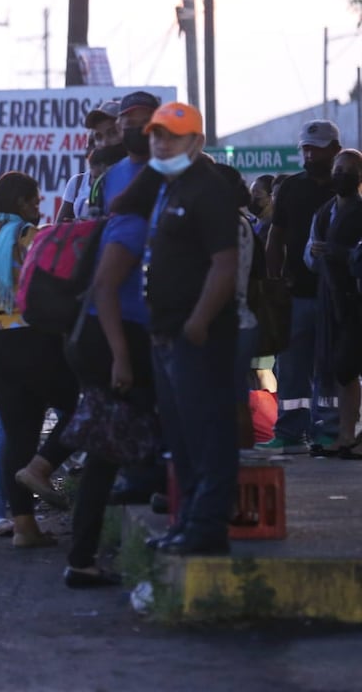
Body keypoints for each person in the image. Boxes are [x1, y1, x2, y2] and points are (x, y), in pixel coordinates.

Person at [141, 102, 239, 556]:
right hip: (166, 335)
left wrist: (198, 322)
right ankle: (189, 522)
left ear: (196, 142)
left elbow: (224, 265)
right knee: (180, 436)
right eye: (157, 134)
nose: (162, 143)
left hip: (198, 336)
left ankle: (208, 526)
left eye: (173, 136)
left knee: (207, 433)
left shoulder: (210, 190)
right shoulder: (170, 189)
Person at [0, 171, 78, 547]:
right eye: (33, 201)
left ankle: (25, 527)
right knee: (84, 408)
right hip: (30, 337)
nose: (38, 207)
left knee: (19, 432)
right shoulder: (27, 237)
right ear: (19, 203)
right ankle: (41, 467)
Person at [64, 169, 157, 587]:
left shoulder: (124, 222)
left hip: (111, 337)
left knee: (113, 449)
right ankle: (81, 558)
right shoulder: (133, 225)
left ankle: (83, 556)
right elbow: (105, 288)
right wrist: (122, 356)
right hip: (116, 339)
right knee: (106, 454)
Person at [260, 120, 343, 453]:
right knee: (291, 367)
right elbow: (275, 237)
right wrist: (272, 279)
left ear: (335, 149)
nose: (310, 155)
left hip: (337, 295)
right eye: (306, 148)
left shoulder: (347, 190)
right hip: (297, 295)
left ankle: (329, 429)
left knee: (330, 367)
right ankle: (290, 432)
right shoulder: (292, 188)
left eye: (317, 148)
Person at [305, 149, 362, 459]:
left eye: (349, 170)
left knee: (348, 366)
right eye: (338, 169)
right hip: (332, 299)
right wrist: (316, 254)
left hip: (354, 299)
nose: (342, 175)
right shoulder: (325, 212)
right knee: (342, 369)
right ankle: (344, 433)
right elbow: (311, 257)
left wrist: (339, 252)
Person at [212, 164, 261, 448]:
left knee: (231, 397)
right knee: (236, 395)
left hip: (231, 322)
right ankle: (241, 457)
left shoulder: (227, 224)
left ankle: (239, 459)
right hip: (240, 320)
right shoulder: (238, 221)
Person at [95, 91, 162, 210]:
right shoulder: (108, 178)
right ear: (119, 128)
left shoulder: (175, 172)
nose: (139, 129)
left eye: (146, 122)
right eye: (130, 123)